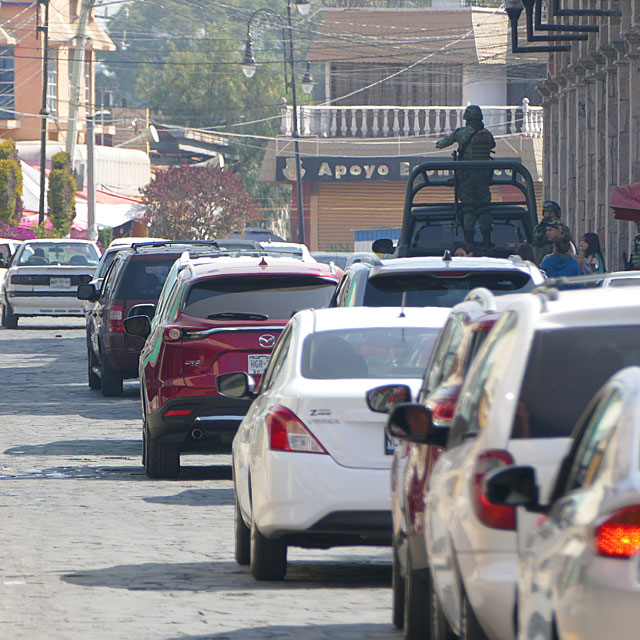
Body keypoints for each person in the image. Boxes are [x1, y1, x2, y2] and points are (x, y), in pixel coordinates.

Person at [436, 105, 496, 248]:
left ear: (466, 119)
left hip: (466, 177)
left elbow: (441, 144)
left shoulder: (460, 133)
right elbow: (492, 145)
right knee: (484, 208)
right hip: (483, 176)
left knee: (468, 207)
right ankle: (487, 240)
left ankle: (469, 241)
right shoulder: (486, 134)